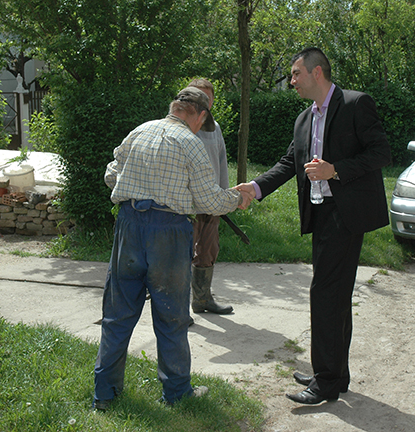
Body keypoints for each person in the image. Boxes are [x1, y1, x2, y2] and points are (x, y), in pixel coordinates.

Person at [235, 47, 392, 405]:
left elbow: (381, 153)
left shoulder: (355, 104)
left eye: (295, 74)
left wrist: (335, 169)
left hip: (347, 214)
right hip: (319, 213)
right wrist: (255, 188)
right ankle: (336, 375)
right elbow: (290, 162)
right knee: (334, 296)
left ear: (317, 72)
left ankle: (324, 382)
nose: (291, 81)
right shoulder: (304, 119)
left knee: (324, 294)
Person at [93, 87, 249, 411]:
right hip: (167, 231)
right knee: (171, 317)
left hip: (128, 225)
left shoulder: (140, 131)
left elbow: (111, 173)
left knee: (117, 314)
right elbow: (208, 200)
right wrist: (238, 198)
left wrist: (138, 185)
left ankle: (105, 395)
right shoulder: (191, 144)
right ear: (200, 116)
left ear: (173, 107)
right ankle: (176, 394)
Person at [187, 78, 233, 315]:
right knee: (182, 253)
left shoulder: (215, 129)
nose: (205, 101)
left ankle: (202, 299)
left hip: (211, 202)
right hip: (186, 204)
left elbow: (222, 162)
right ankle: (177, 310)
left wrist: (224, 197)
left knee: (208, 250)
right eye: (200, 96)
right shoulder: (182, 126)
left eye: (208, 97)